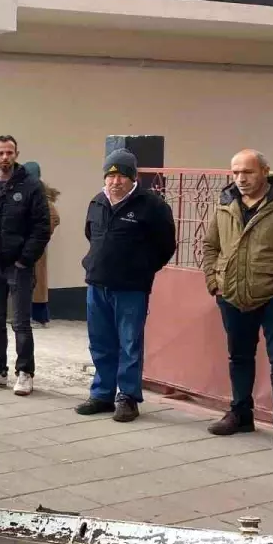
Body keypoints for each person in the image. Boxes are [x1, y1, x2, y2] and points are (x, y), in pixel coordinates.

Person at [201, 149, 273, 454]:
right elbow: (210, 244)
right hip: (233, 295)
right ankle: (241, 414)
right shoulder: (226, 202)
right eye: (236, 172)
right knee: (239, 357)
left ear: (265, 171)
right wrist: (215, 282)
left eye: (248, 172)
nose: (241, 178)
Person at [74, 150, 176, 422]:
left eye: (122, 175)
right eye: (111, 175)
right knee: (100, 342)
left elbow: (166, 246)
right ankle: (102, 394)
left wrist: (141, 269)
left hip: (132, 287)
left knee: (129, 343)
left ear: (133, 178)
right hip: (98, 284)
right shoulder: (96, 203)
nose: (116, 181)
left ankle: (128, 397)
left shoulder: (152, 206)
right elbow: (91, 235)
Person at [0, 136, 52, 397]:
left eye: (9, 152)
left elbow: (41, 228)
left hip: (19, 267)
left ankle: (25, 373)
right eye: (0, 153)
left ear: (17, 154)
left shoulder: (31, 187)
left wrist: (25, 259)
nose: (5, 157)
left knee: (21, 323)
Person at [22, 162, 61, 328]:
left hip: (35, 246)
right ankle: (29, 315)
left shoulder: (41, 197)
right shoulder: (29, 193)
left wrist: (42, 235)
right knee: (27, 281)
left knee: (36, 282)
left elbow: (54, 218)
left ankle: (38, 316)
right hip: (25, 245)